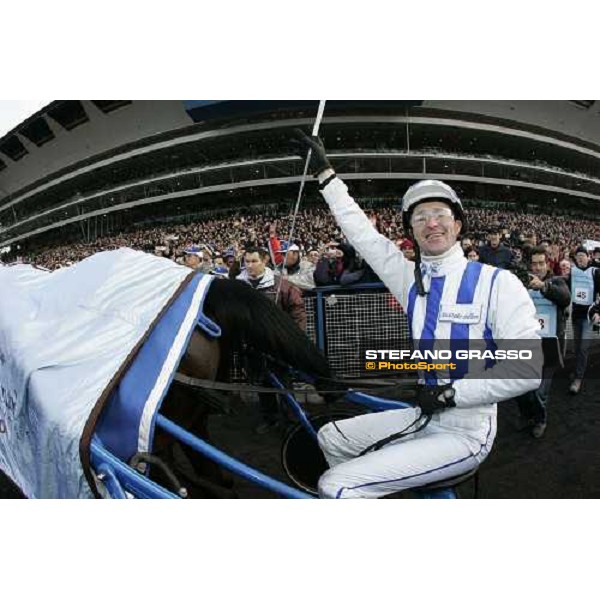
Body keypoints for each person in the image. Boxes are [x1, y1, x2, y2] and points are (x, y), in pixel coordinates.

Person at [290, 129, 541, 498]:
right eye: (420, 217)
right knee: (331, 436)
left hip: (466, 432)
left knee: (336, 486)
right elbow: (364, 236)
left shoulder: (498, 283)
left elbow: (527, 369)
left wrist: (450, 394)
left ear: (457, 225)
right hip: (423, 416)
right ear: (411, 231)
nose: (431, 223)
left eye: (440, 213)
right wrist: (327, 178)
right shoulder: (409, 278)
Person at [236, 246, 306, 433]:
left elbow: (298, 312)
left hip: (278, 346)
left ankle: (292, 420)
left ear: (265, 260)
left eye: (254, 261)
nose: (249, 266)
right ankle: (270, 418)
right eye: (247, 261)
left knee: (284, 384)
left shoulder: (282, 285)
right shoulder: (237, 286)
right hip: (252, 346)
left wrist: (294, 339)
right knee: (262, 385)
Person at [515, 246, 570, 438]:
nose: (537, 267)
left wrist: (544, 287)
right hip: (527, 344)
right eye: (534, 263)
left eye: (541, 263)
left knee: (539, 390)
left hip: (550, 347)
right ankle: (527, 415)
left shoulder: (558, 281)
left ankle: (540, 420)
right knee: (520, 387)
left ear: (547, 264)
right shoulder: (522, 284)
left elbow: (565, 298)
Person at [568, 246, 600, 394]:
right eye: (578, 255)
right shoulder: (572, 272)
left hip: (588, 316)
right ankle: (577, 370)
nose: (580, 258)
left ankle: (578, 378)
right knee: (576, 347)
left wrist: (598, 311)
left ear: (588, 257)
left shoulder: (595, 272)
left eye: (583, 255)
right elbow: (565, 288)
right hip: (575, 315)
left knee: (583, 348)